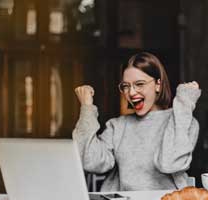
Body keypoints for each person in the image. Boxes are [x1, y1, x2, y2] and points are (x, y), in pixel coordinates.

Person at [72, 52, 201, 191]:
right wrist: (87, 108)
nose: (131, 93)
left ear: (158, 84)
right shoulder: (117, 126)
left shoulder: (183, 120)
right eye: (126, 86)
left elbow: (170, 163)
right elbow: (90, 162)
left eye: (139, 84)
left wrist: (184, 103)